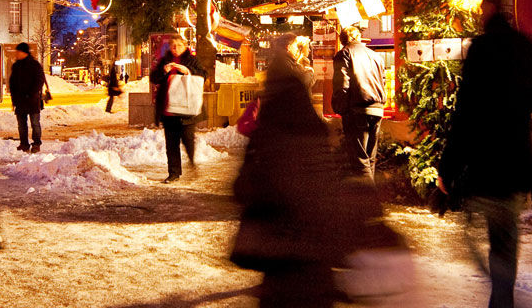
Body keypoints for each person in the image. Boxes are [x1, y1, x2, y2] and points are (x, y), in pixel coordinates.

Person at [438, 0, 532, 308]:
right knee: (505, 239)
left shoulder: (480, 49)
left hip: (485, 164)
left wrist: (449, 167)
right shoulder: (527, 48)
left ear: (489, 7)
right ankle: (503, 298)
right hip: (516, 163)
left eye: (481, 7)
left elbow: (466, 112)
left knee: (490, 238)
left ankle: (501, 300)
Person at [232, 36, 358, 308]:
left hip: (279, 260)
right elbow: (338, 192)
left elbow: (241, 188)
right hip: (317, 263)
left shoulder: (266, 140)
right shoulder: (319, 139)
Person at [333, 26, 387, 181]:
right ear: (358, 37)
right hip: (377, 109)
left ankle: (367, 201)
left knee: (359, 160)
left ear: (343, 40)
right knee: (369, 158)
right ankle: (370, 199)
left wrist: (340, 108)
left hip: (357, 110)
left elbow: (342, 84)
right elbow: (382, 81)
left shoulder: (344, 54)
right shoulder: (376, 56)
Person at [150, 37, 202, 182]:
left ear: (185, 46)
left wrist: (187, 71)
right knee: (171, 144)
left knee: (188, 140)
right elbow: (153, 77)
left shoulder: (192, 60)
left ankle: (192, 162)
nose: (176, 48)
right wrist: (163, 71)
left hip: (187, 110)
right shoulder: (165, 60)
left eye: (179, 45)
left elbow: (203, 75)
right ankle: (174, 173)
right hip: (169, 110)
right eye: (173, 46)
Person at [7, 42, 50, 153]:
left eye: (18, 51)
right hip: (20, 101)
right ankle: (24, 144)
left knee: (35, 123)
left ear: (24, 52)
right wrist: (14, 97)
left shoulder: (34, 65)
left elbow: (39, 81)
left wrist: (31, 93)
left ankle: (36, 143)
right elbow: (12, 83)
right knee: (22, 125)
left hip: (32, 100)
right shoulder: (16, 65)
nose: (16, 53)